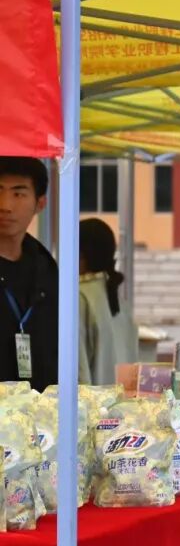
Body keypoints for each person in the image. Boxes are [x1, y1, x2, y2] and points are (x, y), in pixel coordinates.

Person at [0, 157, 58, 392]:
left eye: (18, 193)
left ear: (40, 203)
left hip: (39, 406)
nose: (5, 205)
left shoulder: (46, 268)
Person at [78, 218, 137, 385]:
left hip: (93, 400)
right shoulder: (118, 299)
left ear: (81, 255)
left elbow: (78, 371)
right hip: (122, 398)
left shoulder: (79, 297)